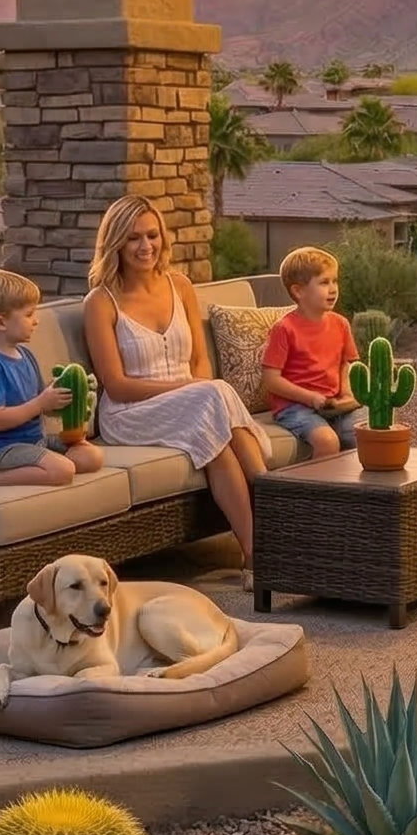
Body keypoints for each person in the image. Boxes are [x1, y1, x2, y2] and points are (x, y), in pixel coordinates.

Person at [81, 194, 268, 564]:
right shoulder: (100, 302)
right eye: (134, 237)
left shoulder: (180, 286)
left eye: (152, 235)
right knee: (211, 398)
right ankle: (276, 518)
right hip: (130, 413)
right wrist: (190, 389)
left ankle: (254, 552)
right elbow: (116, 385)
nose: (145, 246)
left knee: (211, 419)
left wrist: (194, 390)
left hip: (193, 402)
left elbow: (200, 359)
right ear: (115, 241)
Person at [0, 268, 105, 488]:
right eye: (29, 315)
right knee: (64, 471)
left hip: (33, 441)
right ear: (0, 323)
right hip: (1, 449)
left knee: (91, 457)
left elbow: (40, 402)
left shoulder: (25, 354)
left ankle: (43, 465)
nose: (35, 321)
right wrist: (40, 403)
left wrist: (65, 392)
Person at [259, 246, 361, 460]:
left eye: (335, 281)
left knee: (368, 433)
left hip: (334, 404)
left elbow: (346, 363)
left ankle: (357, 490)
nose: (333, 289)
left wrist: (347, 394)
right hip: (295, 407)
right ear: (298, 291)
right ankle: (316, 493)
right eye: (324, 282)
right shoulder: (284, 329)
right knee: (327, 442)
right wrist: (311, 398)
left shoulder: (340, 324)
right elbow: (271, 380)